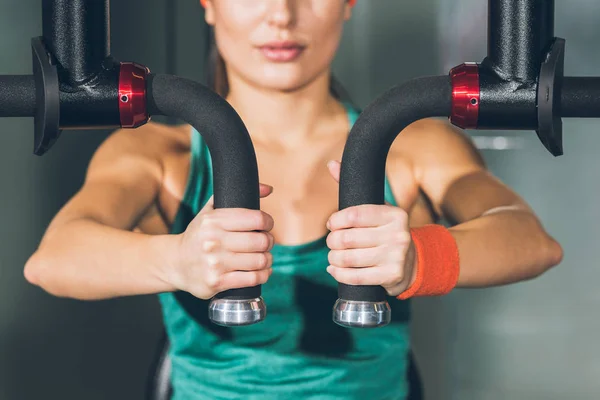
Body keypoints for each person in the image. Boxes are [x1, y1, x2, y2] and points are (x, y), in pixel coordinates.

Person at [23, 1, 563, 399]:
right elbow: (54, 260)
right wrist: (176, 260)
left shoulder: (411, 147)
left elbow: (531, 242)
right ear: (208, 5)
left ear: (349, 4)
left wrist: (423, 258)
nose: (282, 15)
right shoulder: (159, 153)